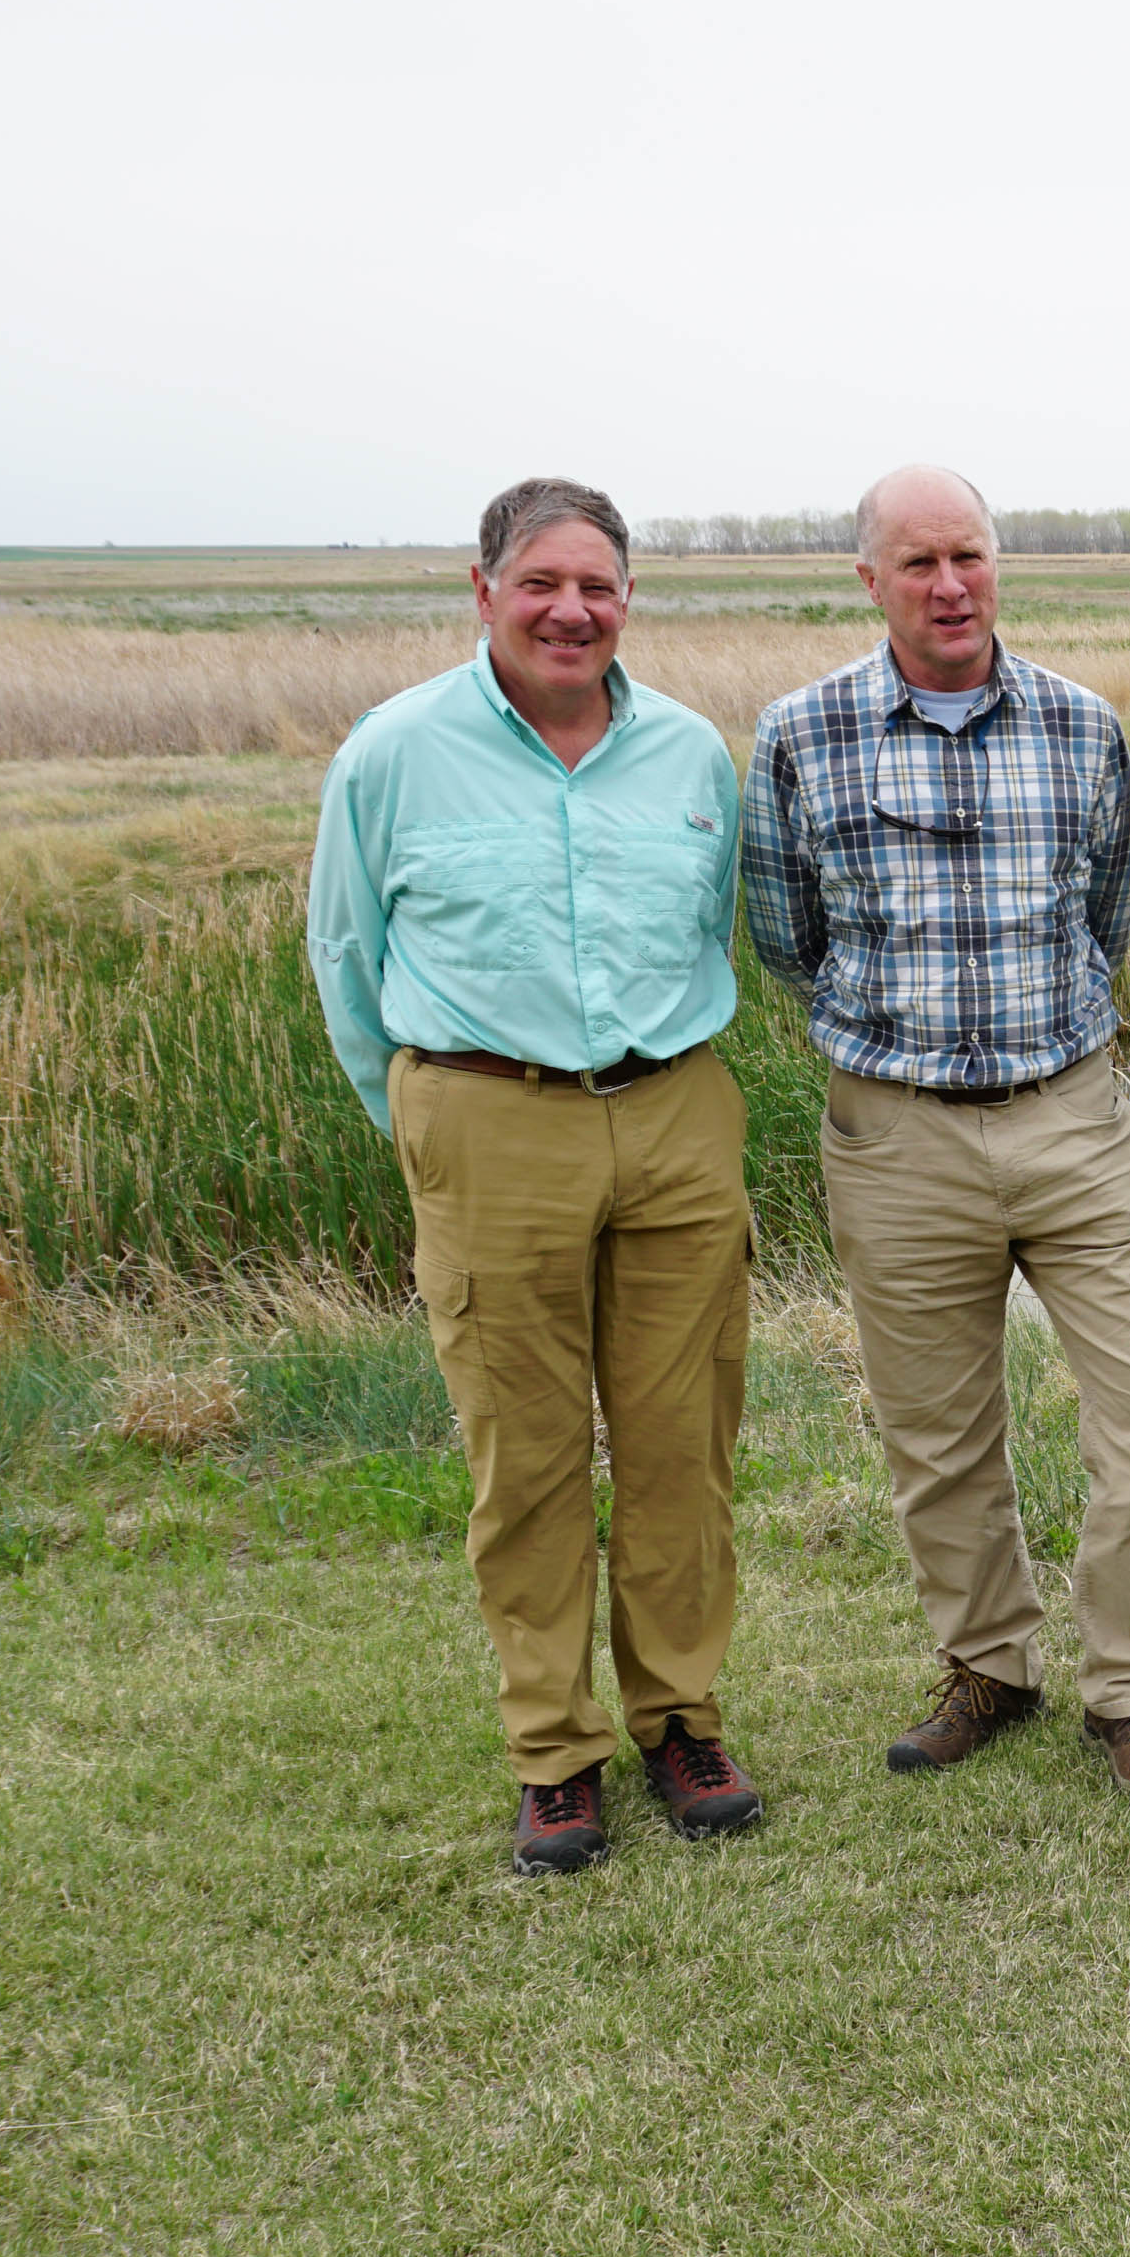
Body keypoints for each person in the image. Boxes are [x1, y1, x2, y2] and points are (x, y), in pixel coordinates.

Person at [306, 477, 760, 1876]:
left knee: (683, 1440)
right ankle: (554, 1751)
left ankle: (677, 1715)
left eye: (602, 586)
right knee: (528, 1448)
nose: (574, 609)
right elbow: (346, 960)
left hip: (676, 1108)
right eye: (543, 583)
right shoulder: (394, 752)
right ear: (484, 588)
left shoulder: (689, 754)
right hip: (489, 1116)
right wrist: (435, 1118)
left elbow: (717, 921)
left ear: (630, 598)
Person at [744, 467, 1130, 1808]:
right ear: (870, 581)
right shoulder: (799, 733)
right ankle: (990, 1667)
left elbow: (1108, 913)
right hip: (895, 1136)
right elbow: (790, 938)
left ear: (997, 563)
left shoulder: (1078, 724)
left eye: (969, 555)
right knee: (937, 1431)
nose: (949, 584)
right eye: (917, 562)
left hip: (1072, 1118)